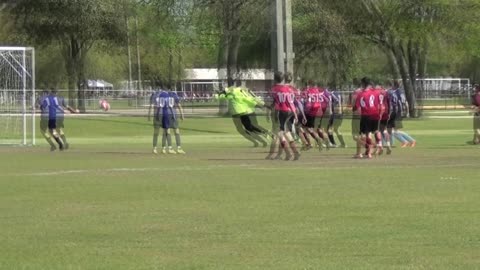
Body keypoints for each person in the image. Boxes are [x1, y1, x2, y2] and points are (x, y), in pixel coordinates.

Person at [218, 78, 269, 147]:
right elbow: (222, 96)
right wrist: (261, 105)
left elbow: (249, 99)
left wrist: (261, 105)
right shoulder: (237, 91)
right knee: (248, 127)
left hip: (239, 112)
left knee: (244, 128)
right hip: (243, 111)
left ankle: (263, 136)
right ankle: (262, 138)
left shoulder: (233, 90)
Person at [266, 71, 300, 161]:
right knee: (286, 131)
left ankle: (289, 154)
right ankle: (295, 152)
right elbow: (290, 102)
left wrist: (268, 112)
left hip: (280, 112)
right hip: (289, 112)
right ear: (282, 79)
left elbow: (272, 102)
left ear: (274, 79)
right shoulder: (287, 89)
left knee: (279, 133)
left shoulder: (273, 89)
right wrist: (295, 114)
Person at [387, 81, 416, 147]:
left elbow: (399, 102)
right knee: (391, 129)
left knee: (394, 130)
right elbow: (405, 102)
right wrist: (407, 111)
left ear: (393, 86)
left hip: (397, 112)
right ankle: (404, 142)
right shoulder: (400, 92)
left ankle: (409, 141)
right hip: (397, 112)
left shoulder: (395, 93)